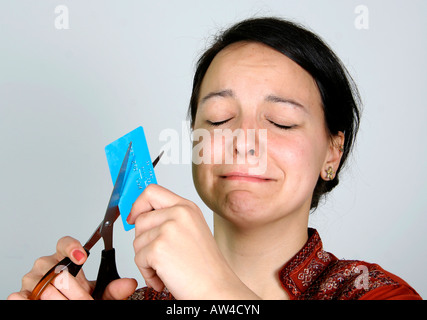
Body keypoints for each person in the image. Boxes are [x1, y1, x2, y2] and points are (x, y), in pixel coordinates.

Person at [8, 17, 421, 300]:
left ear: (333, 152)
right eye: (219, 119)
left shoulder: (375, 291)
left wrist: (214, 288)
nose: (243, 141)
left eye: (280, 121)